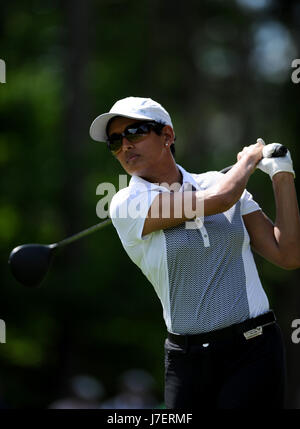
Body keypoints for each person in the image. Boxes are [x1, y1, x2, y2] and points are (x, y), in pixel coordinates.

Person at [89, 96, 300, 409]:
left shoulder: (216, 182)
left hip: (254, 349)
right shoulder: (125, 203)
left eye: (134, 132)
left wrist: (281, 173)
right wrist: (248, 160)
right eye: (115, 141)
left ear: (168, 135)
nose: (124, 146)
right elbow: (222, 198)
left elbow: (288, 255)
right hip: (186, 361)